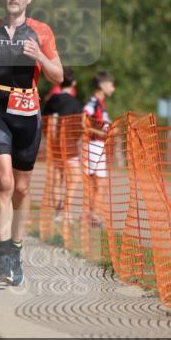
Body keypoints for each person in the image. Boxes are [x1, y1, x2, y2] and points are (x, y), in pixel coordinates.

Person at [0, 0, 64, 285]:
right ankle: (3, 257)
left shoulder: (41, 32)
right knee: (5, 181)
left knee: (23, 188)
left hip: (28, 112)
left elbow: (58, 76)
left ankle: (16, 250)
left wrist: (39, 55)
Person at [42, 67, 84, 221]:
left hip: (54, 143)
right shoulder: (75, 103)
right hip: (69, 144)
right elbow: (78, 127)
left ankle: (58, 212)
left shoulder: (52, 100)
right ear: (73, 83)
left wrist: (48, 137)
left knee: (58, 177)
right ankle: (66, 210)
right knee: (76, 177)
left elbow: (44, 120)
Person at [83, 71, 116, 226]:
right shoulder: (93, 102)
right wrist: (101, 133)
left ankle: (93, 215)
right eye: (111, 85)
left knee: (98, 183)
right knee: (97, 182)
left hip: (99, 145)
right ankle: (92, 216)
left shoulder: (102, 104)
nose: (113, 89)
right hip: (93, 145)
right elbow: (83, 123)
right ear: (102, 85)